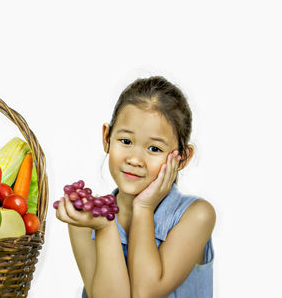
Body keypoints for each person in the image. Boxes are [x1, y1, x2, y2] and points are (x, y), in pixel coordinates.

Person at [56, 76, 216, 298]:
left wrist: (144, 208)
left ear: (182, 158)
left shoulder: (197, 215)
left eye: (154, 148)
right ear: (107, 137)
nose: (135, 159)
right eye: (126, 142)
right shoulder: (87, 218)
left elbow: (145, 292)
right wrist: (105, 227)